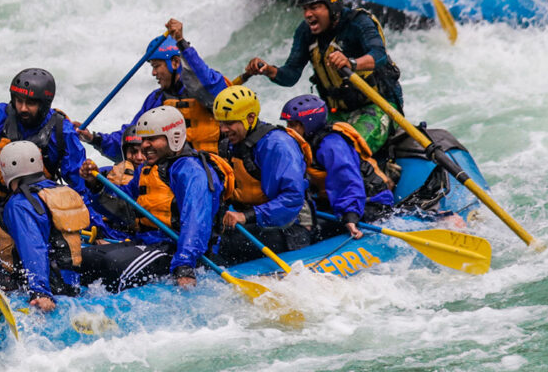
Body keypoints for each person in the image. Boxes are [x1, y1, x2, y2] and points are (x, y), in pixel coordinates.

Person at [244, 0, 403, 154]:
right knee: (303, 149)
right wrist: (268, 70)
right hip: (335, 111)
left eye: (314, 7)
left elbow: (379, 55)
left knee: (344, 151)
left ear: (333, 7)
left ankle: (378, 177)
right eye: (305, 9)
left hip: (376, 107)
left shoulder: (358, 22)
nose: (307, 14)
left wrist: (352, 63)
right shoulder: (305, 32)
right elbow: (291, 74)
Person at [79, 106, 226, 291]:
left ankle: (110, 311)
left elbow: (196, 222)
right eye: (143, 139)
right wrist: (95, 185)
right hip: (147, 241)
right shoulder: (149, 168)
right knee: (83, 258)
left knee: (113, 264)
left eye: (152, 139)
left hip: (174, 249)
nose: (144, 146)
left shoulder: (191, 171)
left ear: (174, 137)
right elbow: (124, 208)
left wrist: (184, 266)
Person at [82, 18, 228, 159]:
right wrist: (95, 139)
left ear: (176, 63)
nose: (153, 73)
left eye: (157, 66)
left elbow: (209, 82)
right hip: (171, 172)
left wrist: (181, 43)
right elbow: (132, 138)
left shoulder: (208, 91)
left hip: (210, 171)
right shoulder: (156, 100)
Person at [0, 68, 88, 206]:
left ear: (44, 105)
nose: (23, 108)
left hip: (37, 208)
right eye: (19, 101)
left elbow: (81, 187)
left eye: (30, 103)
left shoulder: (62, 132)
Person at [212, 86, 312, 264]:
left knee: (220, 244)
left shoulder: (277, 145)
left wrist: (247, 216)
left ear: (251, 117)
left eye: (230, 123)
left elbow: (292, 198)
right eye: (221, 123)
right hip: (254, 223)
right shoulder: (229, 145)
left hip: (289, 228)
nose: (223, 129)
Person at [280, 94, 394, 239]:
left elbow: (347, 181)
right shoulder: (306, 143)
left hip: (368, 204)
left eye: (293, 124)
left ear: (308, 123)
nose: (288, 129)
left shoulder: (332, 145)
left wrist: (351, 217)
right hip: (336, 202)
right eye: (288, 124)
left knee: (311, 231)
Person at [0, 141, 91, 312]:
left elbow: (33, 246)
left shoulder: (19, 204)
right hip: (70, 284)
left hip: (46, 286)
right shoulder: (59, 191)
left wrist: (40, 292)